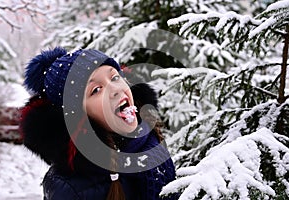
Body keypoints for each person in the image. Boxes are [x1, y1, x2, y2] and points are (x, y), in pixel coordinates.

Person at [19, 47, 177, 200]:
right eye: (96, 90)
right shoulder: (70, 189)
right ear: (79, 115)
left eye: (115, 77)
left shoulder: (150, 141)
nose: (114, 89)